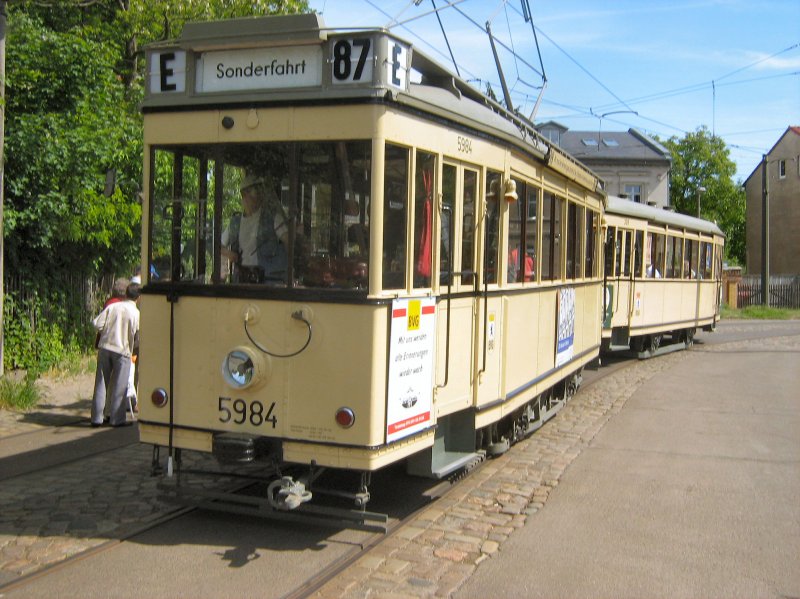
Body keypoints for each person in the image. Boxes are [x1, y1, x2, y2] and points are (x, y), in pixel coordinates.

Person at [221, 174, 288, 284]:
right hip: (242, 280)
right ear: (244, 195)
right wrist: (230, 254)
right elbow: (219, 246)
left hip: (268, 282)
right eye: (255, 191)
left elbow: (289, 243)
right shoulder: (235, 223)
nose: (260, 195)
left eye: (261, 191)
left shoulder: (274, 218)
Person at [91, 278, 140, 428]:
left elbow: (96, 323)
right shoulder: (136, 313)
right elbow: (138, 334)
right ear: (139, 297)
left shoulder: (114, 307)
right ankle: (116, 419)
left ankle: (96, 418)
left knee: (101, 383)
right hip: (122, 350)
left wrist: (106, 332)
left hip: (105, 347)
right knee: (120, 385)